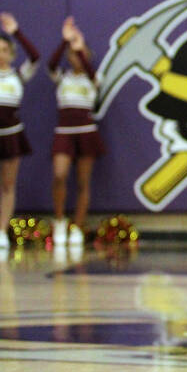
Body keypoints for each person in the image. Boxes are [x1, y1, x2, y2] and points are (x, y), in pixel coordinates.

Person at [48, 17, 105, 250]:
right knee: (59, 175)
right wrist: (65, 41)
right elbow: (51, 64)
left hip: (86, 132)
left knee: (83, 181)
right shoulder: (62, 77)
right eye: (72, 55)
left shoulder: (94, 78)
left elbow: (92, 75)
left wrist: (80, 47)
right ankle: (60, 220)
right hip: (64, 132)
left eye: (80, 54)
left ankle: (78, 227)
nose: (76, 58)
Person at [0, 13, 39, 255]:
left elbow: (35, 57)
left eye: (4, 50)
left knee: (8, 184)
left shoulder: (17, 75)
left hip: (11, 134)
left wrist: (16, 32)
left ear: (10, 53)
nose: (0, 54)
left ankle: (1, 231)